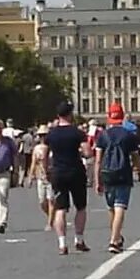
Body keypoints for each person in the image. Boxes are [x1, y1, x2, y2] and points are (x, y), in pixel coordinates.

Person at [94, 99, 140, 253]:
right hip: (123, 172)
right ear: (122, 116)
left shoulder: (103, 135)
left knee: (112, 208)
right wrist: (139, 170)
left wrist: (97, 180)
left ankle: (116, 236)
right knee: (120, 206)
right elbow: (135, 156)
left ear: (109, 116)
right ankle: (114, 240)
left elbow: (98, 160)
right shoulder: (128, 135)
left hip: (107, 173)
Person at [42, 103, 91, 255]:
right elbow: (87, 152)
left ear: (58, 116)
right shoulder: (78, 133)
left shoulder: (51, 134)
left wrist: (46, 170)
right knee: (80, 207)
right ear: (70, 115)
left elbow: (44, 154)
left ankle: (62, 243)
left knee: (60, 209)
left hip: (58, 173)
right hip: (76, 172)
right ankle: (79, 239)